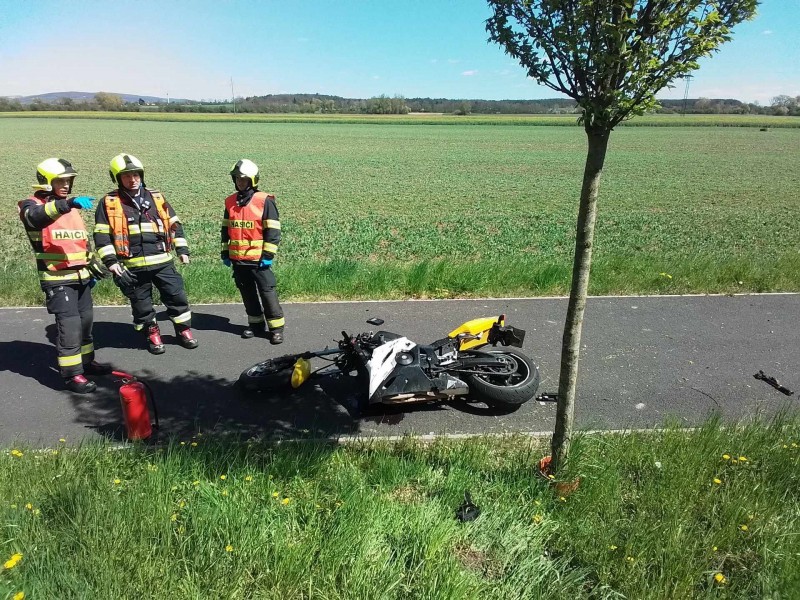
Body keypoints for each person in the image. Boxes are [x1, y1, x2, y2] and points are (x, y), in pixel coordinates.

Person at [18, 158, 112, 393]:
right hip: (57, 279)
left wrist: (92, 266)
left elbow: (79, 242)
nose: (66, 185)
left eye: (69, 180)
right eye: (61, 181)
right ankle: (72, 375)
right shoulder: (32, 205)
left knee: (85, 323)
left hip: (81, 276)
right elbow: (35, 217)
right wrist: (67, 204)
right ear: (47, 181)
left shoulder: (70, 209)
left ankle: (87, 363)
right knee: (69, 327)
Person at [94, 153, 198, 354]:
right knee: (141, 305)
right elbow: (101, 235)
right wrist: (111, 262)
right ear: (117, 178)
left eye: (136, 175)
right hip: (132, 266)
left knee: (176, 296)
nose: (132, 179)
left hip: (163, 262)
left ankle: (183, 330)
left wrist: (182, 250)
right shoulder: (108, 202)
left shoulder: (156, 197)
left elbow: (174, 225)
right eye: (126, 176)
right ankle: (152, 332)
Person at [221, 159, 285, 344]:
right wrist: (225, 252)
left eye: (243, 179)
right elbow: (225, 229)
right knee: (247, 293)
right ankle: (256, 325)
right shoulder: (230, 201)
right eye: (237, 179)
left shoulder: (264, 201)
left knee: (267, 292)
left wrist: (268, 255)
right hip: (238, 259)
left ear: (252, 180)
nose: (240, 182)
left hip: (259, 259)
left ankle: (276, 329)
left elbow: (273, 230)